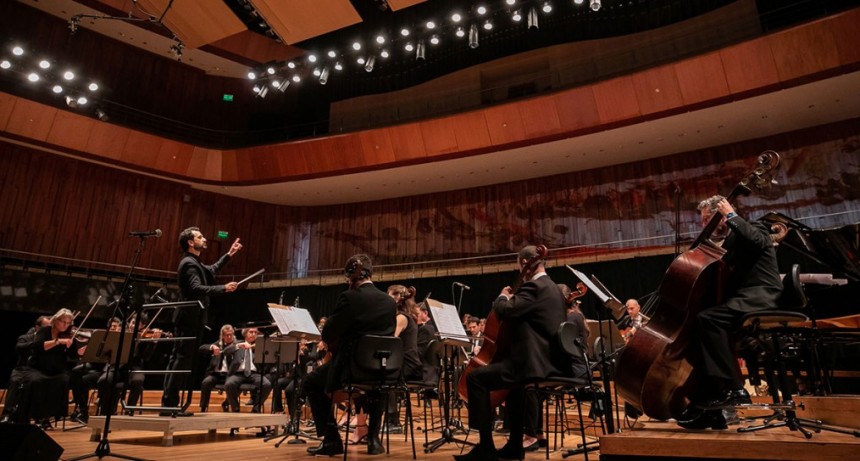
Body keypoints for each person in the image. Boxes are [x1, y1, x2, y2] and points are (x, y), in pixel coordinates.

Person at [677, 195, 782, 430]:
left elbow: (758, 241)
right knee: (701, 332)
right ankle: (709, 408)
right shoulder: (729, 242)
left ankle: (735, 389)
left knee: (709, 319)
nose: (705, 226)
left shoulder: (753, 228)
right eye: (703, 222)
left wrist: (732, 214)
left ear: (721, 215)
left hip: (760, 295)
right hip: (742, 300)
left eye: (708, 220)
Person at [457, 245, 570, 461]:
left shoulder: (535, 287)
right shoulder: (554, 288)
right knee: (514, 388)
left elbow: (505, 310)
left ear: (525, 264)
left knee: (475, 378)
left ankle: (486, 448)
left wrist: (502, 296)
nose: (520, 272)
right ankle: (514, 446)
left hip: (533, 363)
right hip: (551, 362)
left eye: (520, 267)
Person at [304, 254, 396, 457]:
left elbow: (328, 334)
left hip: (352, 368)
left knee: (311, 382)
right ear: (370, 273)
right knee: (377, 386)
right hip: (382, 369)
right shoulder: (389, 302)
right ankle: (373, 440)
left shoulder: (349, 297)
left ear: (351, 276)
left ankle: (332, 440)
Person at [162, 227, 243, 416]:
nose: (204, 239)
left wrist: (229, 254)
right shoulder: (189, 263)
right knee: (180, 361)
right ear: (191, 242)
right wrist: (223, 288)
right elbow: (196, 288)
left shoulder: (194, 262)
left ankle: (169, 404)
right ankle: (169, 405)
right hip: (189, 318)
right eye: (200, 237)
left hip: (191, 318)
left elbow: (212, 269)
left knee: (180, 360)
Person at [27, 308, 87, 424]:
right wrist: (58, 341)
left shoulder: (68, 335)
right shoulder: (44, 331)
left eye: (68, 323)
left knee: (63, 380)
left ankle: (51, 415)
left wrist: (80, 352)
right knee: (37, 381)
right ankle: (37, 414)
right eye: (63, 322)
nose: (66, 325)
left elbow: (72, 354)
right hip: (39, 367)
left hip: (57, 369)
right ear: (56, 320)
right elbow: (39, 346)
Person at [1, 315, 50, 423]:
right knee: (14, 381)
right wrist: (38, 344)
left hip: (38, 370)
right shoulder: (25, 337)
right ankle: (7, 414)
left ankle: (39, 415)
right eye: (46, 327)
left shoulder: (49, 341)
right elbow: (19, 347)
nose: (48, 329)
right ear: (37, 327)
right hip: (22, 369)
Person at [224, 327, 271, 413]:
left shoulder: (260, 346)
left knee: (266, 384)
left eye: (256, 333)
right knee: (229, 384)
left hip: (254, 373)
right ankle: (235, 408)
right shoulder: (237, 343)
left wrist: (256, 347)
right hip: (238, 373)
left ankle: (256, 408)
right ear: (245, 333)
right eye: (251, 332)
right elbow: (225, 351)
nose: (254, 334)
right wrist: (238, 346)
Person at [198, 324, 236, 412]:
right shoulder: (218, 344)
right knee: (206, 382)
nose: (229, 337)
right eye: (227, 335)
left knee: (235, 383)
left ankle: (227, 403)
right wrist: (212, 347)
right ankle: (203, 407)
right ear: (222, 336)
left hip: (230, 374)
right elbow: (201, 348)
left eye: (231, 334)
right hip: (216, 374)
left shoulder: (236, 344)